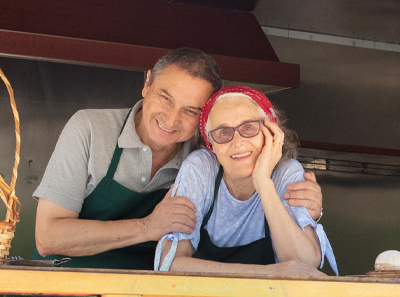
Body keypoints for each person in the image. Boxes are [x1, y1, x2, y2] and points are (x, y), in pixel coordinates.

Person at [32, 48, 325, 269]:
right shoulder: (90, 130)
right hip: (66, 285)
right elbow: (48, 238)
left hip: (144, 295)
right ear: (147, 84)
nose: (171, 120)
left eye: (191, 111)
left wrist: (307, 205)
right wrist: (148, 226)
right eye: (165, 97)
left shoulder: (204, 154)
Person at [152, 87, 335, 276]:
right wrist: (268, 273)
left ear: (271, 133)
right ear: (211, 144)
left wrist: (263, 182)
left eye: (248, 128)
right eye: (223, 133)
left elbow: (306, 265)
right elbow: (168, 263)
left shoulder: (286, 173)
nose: (237, 142)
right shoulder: (201, 168)